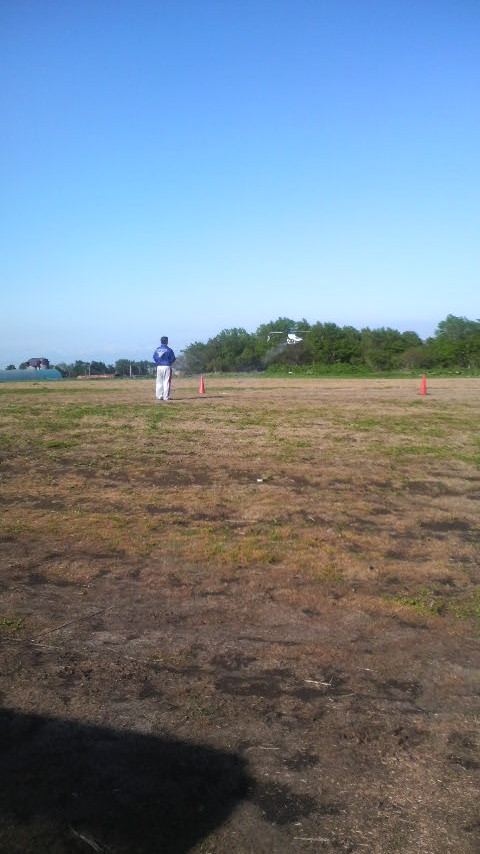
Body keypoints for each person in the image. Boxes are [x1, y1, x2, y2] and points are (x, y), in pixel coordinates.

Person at [153, 336, 176, 400]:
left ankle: (159, 396)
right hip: (166, 366)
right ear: (167, 341)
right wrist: (169, 363)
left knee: (159, 382)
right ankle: (166, 396)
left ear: (161, 341)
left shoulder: (157, 349)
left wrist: (158, 362)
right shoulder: (169, 350)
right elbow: (173, 358)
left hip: (159, 366)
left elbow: (154, 357)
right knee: (166, 381)